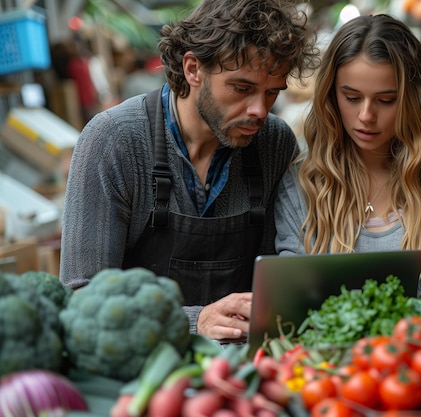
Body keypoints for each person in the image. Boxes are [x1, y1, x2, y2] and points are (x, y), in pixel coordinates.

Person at [59, 0, 319, 340]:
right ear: (193, 68)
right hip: (139, 365)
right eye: (242, 88)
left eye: (271, 93)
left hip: (243, 368)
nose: (259, 110)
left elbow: (277, 280)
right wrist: (196, 322)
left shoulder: (273, 142)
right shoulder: (113, 140)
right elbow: (83, 298)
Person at [274, 14, 421, 299]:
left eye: (386, 100)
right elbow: (293, 297)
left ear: (412, 99)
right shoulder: (301, 186)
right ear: (330, 96)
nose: (366, 116)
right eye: (352, 98)